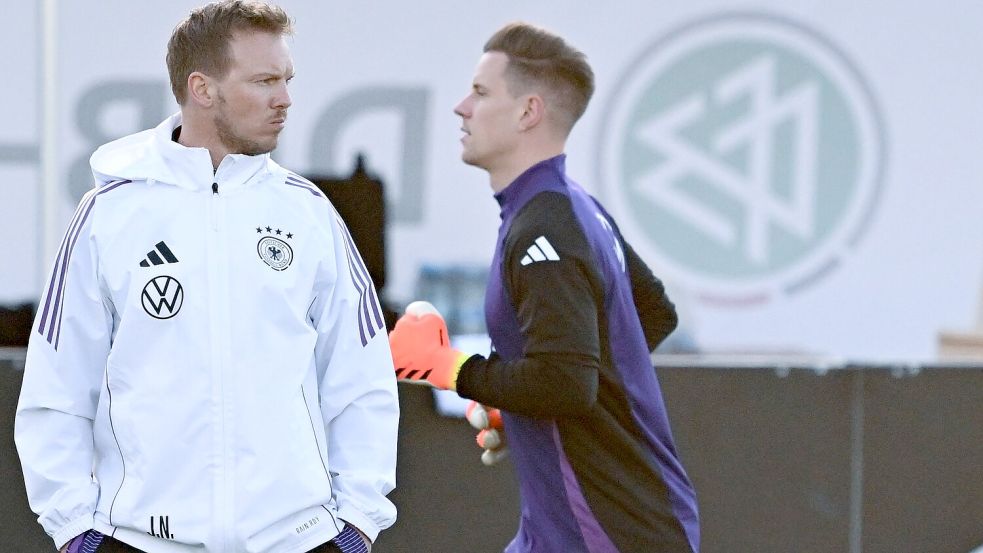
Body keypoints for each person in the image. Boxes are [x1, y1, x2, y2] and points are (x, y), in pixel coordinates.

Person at [15, 2, 398, 552]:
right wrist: (74, 530)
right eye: (265, 80)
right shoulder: (109, 214)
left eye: (287, 79)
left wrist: (357, 523)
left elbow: (362, 380)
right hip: (141, 541)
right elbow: (56, 388)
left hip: (297, 542)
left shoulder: (309, 213)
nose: (285, 98)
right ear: (202, 88)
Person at [389, 22, 699, 552]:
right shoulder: (571, 208)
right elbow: (649, 317)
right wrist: (521, 404)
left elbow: (565, 382)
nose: (462, 107)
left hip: (608, 533)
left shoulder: (546, 226)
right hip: (583, 529)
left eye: (482, 92)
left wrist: (452, 368)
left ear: (528, 112)